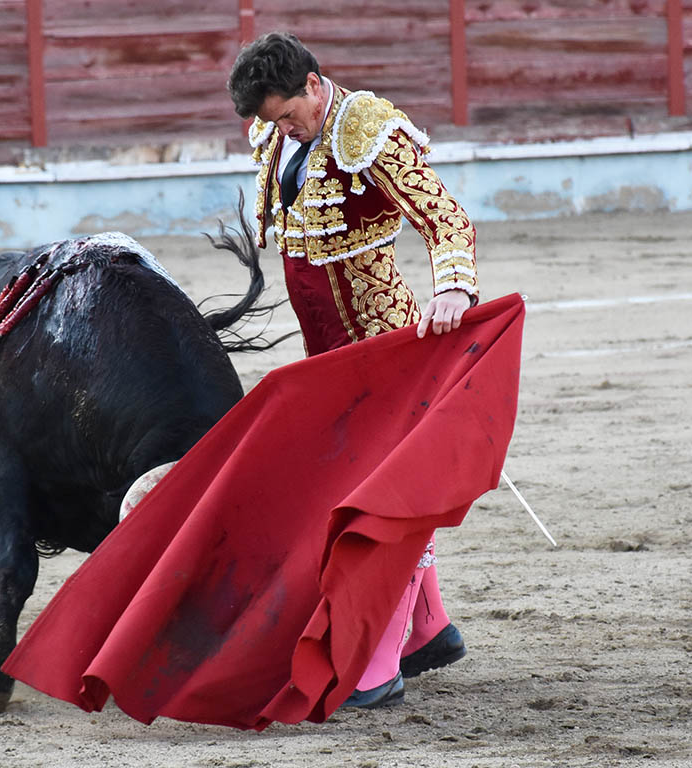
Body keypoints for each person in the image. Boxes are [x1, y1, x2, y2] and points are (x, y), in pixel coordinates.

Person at [227, 32, 476, 708]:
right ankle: (429, 629)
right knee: (356, 486)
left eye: (288, 115)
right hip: (328, 356)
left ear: (313, 85)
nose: (281, 129)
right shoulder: (276, 132)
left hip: (384, 345)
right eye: (273, 120)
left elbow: (446, 218)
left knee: (383, 499)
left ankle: (379, 658)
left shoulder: (366, 129)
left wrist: (455, 288)